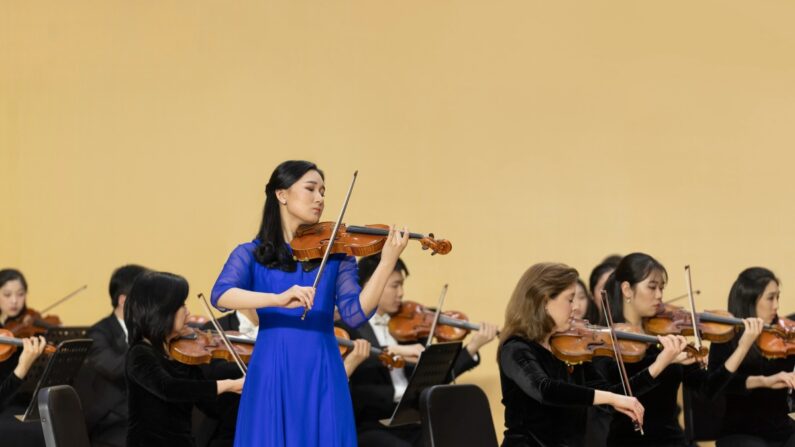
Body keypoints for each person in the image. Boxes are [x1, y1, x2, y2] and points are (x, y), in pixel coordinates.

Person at [210, 160, 410, 446]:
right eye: (311, 189)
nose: (320, 199)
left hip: (322, 364)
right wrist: (277, 299)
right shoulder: (251, 253)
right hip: (273, 364)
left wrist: (387, 261)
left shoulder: (336, 255)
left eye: (323, 192)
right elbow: (221, 294)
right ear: (282, 194)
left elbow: (355, 315)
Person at [595, 253, 764, 446]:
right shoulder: (607, 341)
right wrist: (664, 361)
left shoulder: (666, 336)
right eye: (652, 287)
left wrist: (742, 347)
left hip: (672, 440)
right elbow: (615, 398)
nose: (659, 295)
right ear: (627, 289)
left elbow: (708, 389)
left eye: (661, 288)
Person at [338, 253, 498, 446]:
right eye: (395, 285)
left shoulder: (407, 327)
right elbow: (349, 379)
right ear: (372, 283)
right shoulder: (347, 329)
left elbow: (436, 377)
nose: (401, 293)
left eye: (402, 285)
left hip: (413, 421)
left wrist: (473, 346)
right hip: (372, 426)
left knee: (462, 436)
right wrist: (393, 351)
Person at [498, 262, 645, 447]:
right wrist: (611, 398)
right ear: (544, 302)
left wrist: (660, 364)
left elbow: (613, 393)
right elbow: (546, 390)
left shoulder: (569, 348)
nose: (576, 307)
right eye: (570, 299)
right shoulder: (516, 349)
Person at [125, 271, 244, 447]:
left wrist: (247, 396)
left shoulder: (179, 354)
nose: (188, 312)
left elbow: (209, 404)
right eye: (181, 305)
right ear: (161, 311)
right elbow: (169, 388)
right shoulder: (140, 353)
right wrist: (228, 384)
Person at [708, 267, 795, 447]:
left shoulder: (784, 335)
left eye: (778, 297)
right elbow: (717, 387)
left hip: (781, 428)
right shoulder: (726, 337)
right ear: (750, 300)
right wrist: (764, 380)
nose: (777, 306)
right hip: (740, 431)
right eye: (770, 298)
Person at [82, 264, 147, 447]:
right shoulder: (98, 333)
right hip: (111, 418)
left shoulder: (149, 330)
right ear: (123, 301)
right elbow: (115, 368)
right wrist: (147, 342)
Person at [0, 268, 46, 447]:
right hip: (5, 406)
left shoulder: (31, 327)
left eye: (20, 294)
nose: (14, 300)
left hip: (27, 403)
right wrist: (22, 367)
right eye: (7, 294)